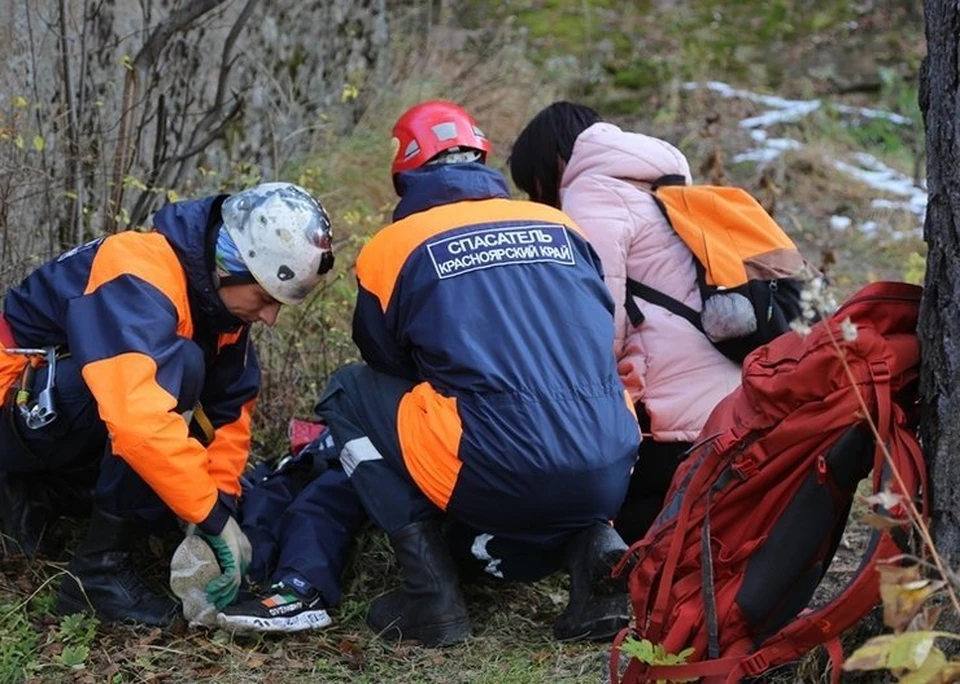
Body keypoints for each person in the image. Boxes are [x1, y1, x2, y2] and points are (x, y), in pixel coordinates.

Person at [314, 100, 641, 647]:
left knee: (348, 392)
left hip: (489, 469)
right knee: (573, 407)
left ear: (405, 173)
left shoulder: (394, 247)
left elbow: (386, 362)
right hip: (611, 463)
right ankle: (595, 552)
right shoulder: (562, 225)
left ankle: (430, 595)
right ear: (483, 157)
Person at [0, 182, 335, 626]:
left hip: (52, 426)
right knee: (176, 372)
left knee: (179, 452)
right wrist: (212, 518)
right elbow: (137, 421)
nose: (270, 317)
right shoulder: (138, 270)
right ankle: (97, 576)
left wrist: (219, 501)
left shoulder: (219, 308)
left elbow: (230, 413)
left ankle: (41, 498)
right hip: (13, 412)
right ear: (229, 266)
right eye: (266, 298)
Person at [509, 102, 741, 544]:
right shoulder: (661, 185)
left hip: (671, 422)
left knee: (603, 512)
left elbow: (595, 325)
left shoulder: (591, 197)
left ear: (550, 166)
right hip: (729, 402)